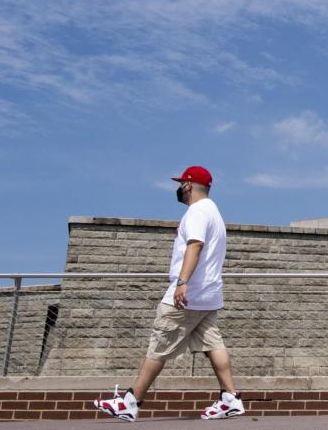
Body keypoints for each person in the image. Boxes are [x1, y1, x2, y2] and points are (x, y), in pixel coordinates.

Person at [94, 165, 244, 421]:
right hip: (208, 295)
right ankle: (230, 398)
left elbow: (195, 245)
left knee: (159, 345)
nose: (179, 188)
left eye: (180, 183)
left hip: (188, 295)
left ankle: (131, 402)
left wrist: (182, 282)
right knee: (213, 343)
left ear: (188, 185)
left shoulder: (197, 212)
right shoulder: (214, 212)